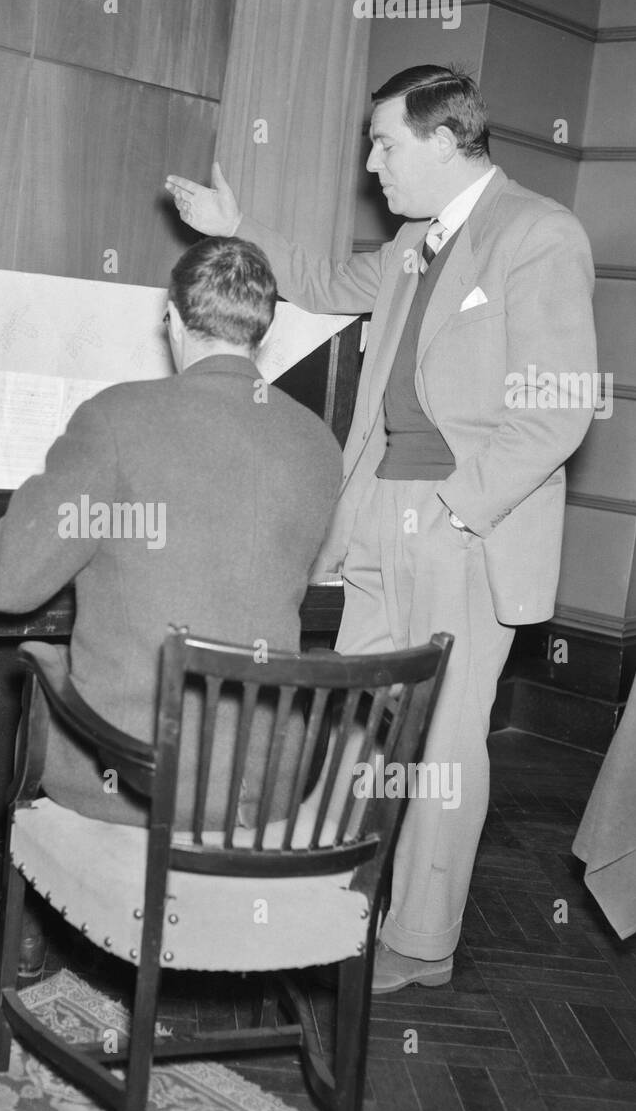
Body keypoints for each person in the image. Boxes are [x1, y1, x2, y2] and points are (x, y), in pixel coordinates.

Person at [167, 64, 598, 994]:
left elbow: (558, 411)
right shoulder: (413, 242)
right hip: (379, 514)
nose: (372, 164)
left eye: (387, 143)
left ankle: (421, 942)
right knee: (360, 719)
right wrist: (235, 229)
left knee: (439, 746)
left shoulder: (538, 234)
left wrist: (453, 512)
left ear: (448, 139)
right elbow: (321, 279)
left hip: (466, 523)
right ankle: (329, 901)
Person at [0, 236, 342, 964]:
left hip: (135, 781)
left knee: (42, 685)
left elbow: (6, 584)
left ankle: (23, 904)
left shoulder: (117, 418)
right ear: (262, 328)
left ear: (175, 321)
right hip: (264, 789)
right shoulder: (317, 441)